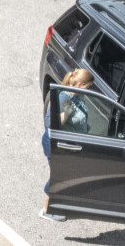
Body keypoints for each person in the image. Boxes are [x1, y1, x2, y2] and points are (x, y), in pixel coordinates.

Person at [40, 68, 94, 222]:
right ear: (78, 84)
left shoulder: (77, 96)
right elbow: (50, 122)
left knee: (66, 174)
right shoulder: (64, 96)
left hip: (71, 144)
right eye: (88, 87)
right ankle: (46, 210)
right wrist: (67, 113)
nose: (89, 90)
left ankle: (60, 202)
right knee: (58, 176)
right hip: (57, 145)